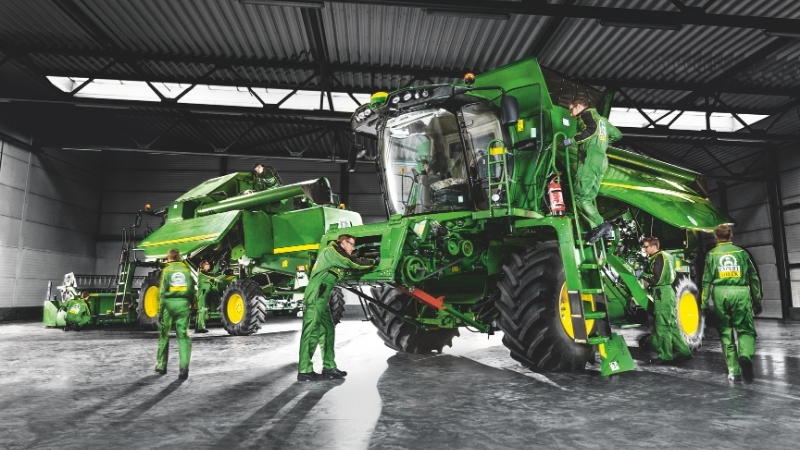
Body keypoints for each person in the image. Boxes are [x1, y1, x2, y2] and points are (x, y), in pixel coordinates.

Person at [297, 234, 376, 382]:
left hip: (323, 294)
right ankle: (304, 370)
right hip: (316, 293)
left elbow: (345, 267)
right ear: (342, 242)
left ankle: (329, 367)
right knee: (312, 330)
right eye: (351, 244)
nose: (353, 248)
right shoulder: (331, 252)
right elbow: (354, 264)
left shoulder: (335, 255)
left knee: (327, 329)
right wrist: (374, 261)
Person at [702, 224, 762, 383]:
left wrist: (703, 305)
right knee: (746, 331)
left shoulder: (711, 255)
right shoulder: (742, 253)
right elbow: (754, 279)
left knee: (726, 332)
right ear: (731, 235)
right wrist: (757, 300)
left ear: (716, 237)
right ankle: (745, 356)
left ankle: (734, 372)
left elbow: (706, 281)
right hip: (740, 292)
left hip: (720, 293)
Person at [562, 97, 622, 244]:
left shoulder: (586, 115)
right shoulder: (603, 120)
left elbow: (590, 130)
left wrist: (572, 140)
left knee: (579, 198)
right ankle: (595, 230)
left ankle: (602, 225)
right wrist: (602, 141)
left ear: (579, 106)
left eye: (571, 110)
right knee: (587, 198)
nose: (571, 114)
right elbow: (618, 135)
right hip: (602, 160)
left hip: (589, 158)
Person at [639, 237, 693, 365]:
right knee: (671, 325)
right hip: (665, 293)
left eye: (646, 247)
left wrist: (642, 274)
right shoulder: (663, 257)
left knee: (662, 326)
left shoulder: (659, 258)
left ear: (654, 246)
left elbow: (657, 279)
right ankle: (684, 352)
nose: (644, 249)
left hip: (662, 293)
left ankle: (666, 356)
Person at [156, 248, 195, 380]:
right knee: (183, 337)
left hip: (168, 305)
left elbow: (162, 292)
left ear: (169, 258)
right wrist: (191, 304)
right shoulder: (186, 270)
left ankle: (161, 365)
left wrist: (160, 311)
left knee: (164, 335)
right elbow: (191, 289)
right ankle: (184, 368)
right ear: (178, 257)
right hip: (183, 304)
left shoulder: (167, 270)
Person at [194, 260, 217, 333]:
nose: (209, 265)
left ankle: (198, 327)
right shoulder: (203, 272)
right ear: (203, 265)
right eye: (207, 264)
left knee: (201, 311)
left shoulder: (205, 273)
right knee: (202, 310)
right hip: (202, 293)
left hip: (204, 293)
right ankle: (200, 328)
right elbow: (212, 275)